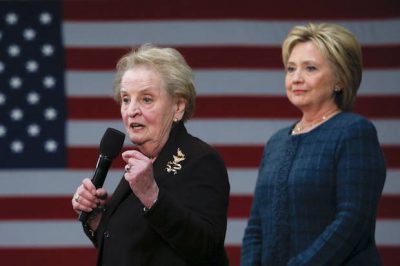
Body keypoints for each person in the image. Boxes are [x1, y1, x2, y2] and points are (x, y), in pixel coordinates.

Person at [241, 23, 386, 265]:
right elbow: (257, 224)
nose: (296, 78)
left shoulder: (354, 132)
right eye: (290, 69)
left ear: (340, 79)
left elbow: (352, 220)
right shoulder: (276, 142)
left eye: (310, 68)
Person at [71, 44, 230, 266]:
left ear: (178, 106)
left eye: (146, 99)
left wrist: (152, 197)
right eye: (126, 99)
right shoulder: (142, 163)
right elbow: (131, 248)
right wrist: (98, 220)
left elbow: (206, 247)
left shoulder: (201, 160)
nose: (131, 110)